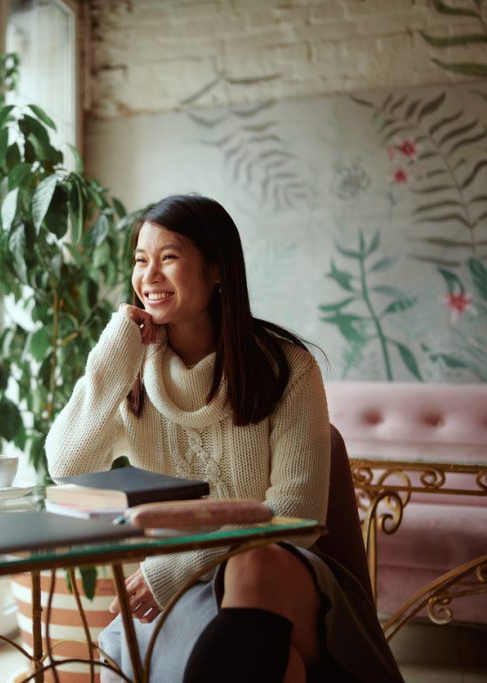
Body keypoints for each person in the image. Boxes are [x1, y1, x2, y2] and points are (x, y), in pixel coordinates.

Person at [45, 195, 402, 682]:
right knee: (281, 667)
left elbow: (296, 516)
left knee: (254, 568)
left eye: (168, 257)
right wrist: (114, 350)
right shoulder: (131, 373)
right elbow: (66, 465)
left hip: (285, 579)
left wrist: (174, 570)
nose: (148, 276)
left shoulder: (288, 369)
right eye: (140, 260)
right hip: (191, 600)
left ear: (217, 271)